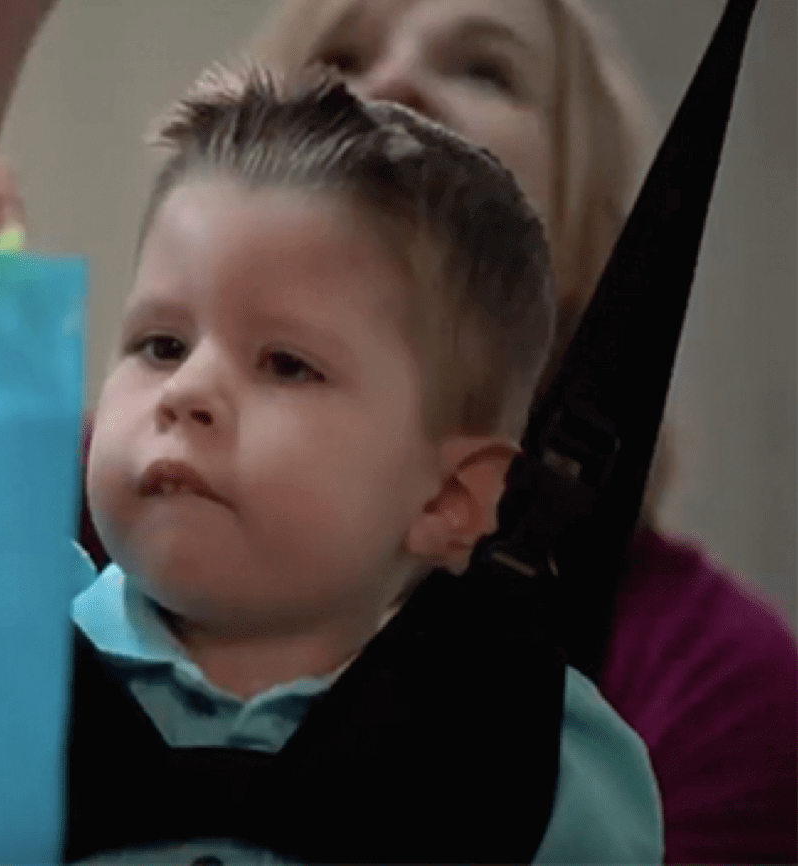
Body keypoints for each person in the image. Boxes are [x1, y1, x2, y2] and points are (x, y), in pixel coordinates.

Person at [0, 1, 787, 861]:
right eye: (157, 342)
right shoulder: (8, 608)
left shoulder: (556, 753)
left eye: (286, 361)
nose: (190, 390)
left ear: (453, 494)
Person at [245, 2, 798, 863]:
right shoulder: (90, 515)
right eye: (340, 55)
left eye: (484, 69)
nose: (385, 84)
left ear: (589, 236)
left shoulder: (715, 682)